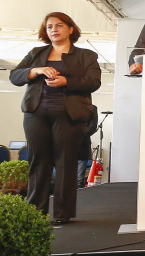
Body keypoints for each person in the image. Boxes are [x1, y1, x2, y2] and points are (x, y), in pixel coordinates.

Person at [10, 12, 101, 224]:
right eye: (50, 26)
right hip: (36, 114)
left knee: (65, 164)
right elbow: (15, 76)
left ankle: (62, 214)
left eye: (59, 25)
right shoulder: (36, 53)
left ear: (70, 29)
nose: (54, 30)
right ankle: (35, 212)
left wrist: (65, 81)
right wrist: (35, 70)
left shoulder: (86, 56)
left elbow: (94, 82)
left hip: (69, 116)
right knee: (38, 163)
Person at [77, 106, 99, 188]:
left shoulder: (92, 109)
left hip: (83, 144)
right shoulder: (67, 105)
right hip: (66, 146)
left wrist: (77, 135)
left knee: (79, 181)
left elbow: (92, 127)